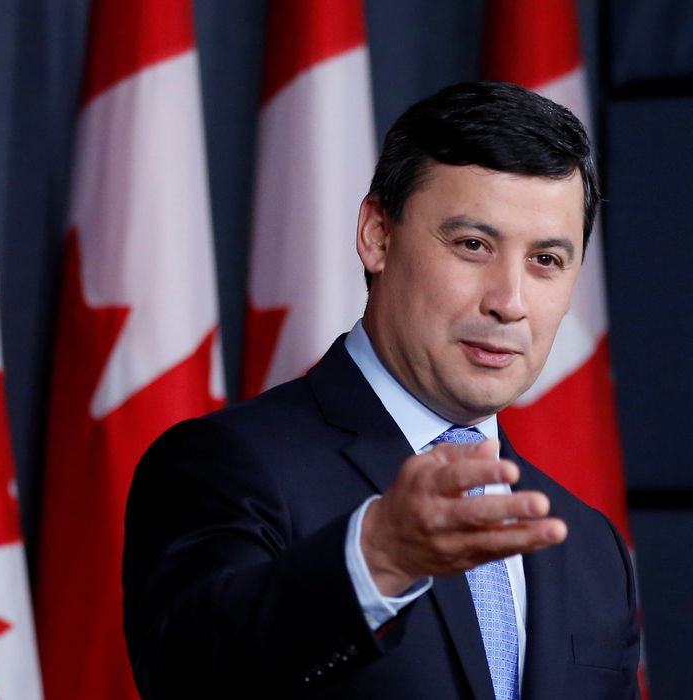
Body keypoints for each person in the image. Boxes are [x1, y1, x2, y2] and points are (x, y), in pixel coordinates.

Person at [122, 81, 640, 699]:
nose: (510, 303)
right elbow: (187, 676)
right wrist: (376, 560)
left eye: (547, 260)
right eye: (473, 245)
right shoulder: (228, 466)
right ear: (377, 236)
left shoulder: (591, 547)